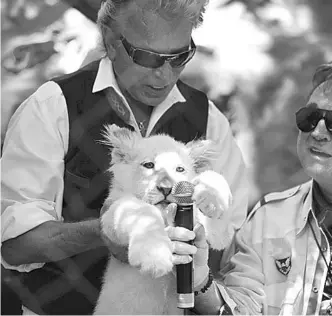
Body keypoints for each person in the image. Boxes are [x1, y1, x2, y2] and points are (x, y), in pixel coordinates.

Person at [1, 0, 249, 314]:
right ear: (110, 38)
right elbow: (14, 245)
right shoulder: (54, 105)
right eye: (148, 57)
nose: (165, 74)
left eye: (180, 57)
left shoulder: (208, 119)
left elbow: (234, 246)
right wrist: (103, 232)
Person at [174, 59, 332, 315]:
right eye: (310, 117)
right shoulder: (267, 219)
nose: (317, 132)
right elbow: (241, 309)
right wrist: (199, 279)